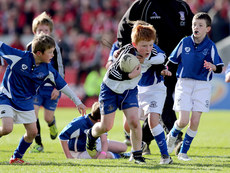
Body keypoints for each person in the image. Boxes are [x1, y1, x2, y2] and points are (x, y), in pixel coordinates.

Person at [117, 0, 194, 154]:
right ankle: (176, 137)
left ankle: (144, 139)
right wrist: (127, 52)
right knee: (165, 100)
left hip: (176, 63)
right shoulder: (144, 4)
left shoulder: (182, 7)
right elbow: (124, 26)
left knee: (162, 104)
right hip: (151, 63)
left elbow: (193, 33)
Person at [0, 34, 86, 164]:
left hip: (26, 101)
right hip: (7, 96)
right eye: (50, 52)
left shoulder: (48, 69)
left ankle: (16, 157)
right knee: (7, 128)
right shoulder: (19, 57)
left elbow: (63, 86)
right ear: (39, 53)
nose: (53, 55)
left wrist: (78, 102)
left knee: (33, 132)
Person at [86, 20, 149, 164]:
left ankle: (137, 154)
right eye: (144, 45)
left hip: (129, 90)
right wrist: (128, 75)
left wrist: (163, 68)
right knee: (106, 126)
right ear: (135, 42)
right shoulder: (124, 51)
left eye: (150, 44)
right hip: (110, 89)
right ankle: (91, 134)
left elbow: (161, 58)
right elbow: (112, 71)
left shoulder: (152, 52)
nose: (148, 48)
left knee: (134, 121)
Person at [166, 12, 224, 161]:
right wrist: (165, 71)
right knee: (183, 120)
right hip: (184, 84)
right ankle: (172, 134)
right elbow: (172, 61)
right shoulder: (184, 42)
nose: (196, 27)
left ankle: (183, 152)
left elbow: (219, 67)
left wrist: (212, 66)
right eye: (194, 24)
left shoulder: (210, 46)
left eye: (200, 25)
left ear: (207, 29)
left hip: (202, 86)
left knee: (195, 121)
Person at [26, 12, 65, 153]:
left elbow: (60, 67)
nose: (43, 32)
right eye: (40, 30)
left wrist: (57, 87)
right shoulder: (29, 46)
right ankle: (38, 144)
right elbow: (26, 68)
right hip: (36, 88)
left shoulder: (55, 47)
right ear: (34, 31)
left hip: (51, 89)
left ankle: (52, 123)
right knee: (33, 114)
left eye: (46, 30)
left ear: (50, 32)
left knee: (47, 117)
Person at [59, 101, 127, 159]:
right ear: (99, 120)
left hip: (95, 143)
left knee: (123, 147)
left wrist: (103, 153)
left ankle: (110, 153)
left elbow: (104, 141)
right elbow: (62, 136)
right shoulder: (79, 123)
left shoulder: (99, 122)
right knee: (108, 155)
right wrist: (69, 156)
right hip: (79, 151)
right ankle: (119, 156)